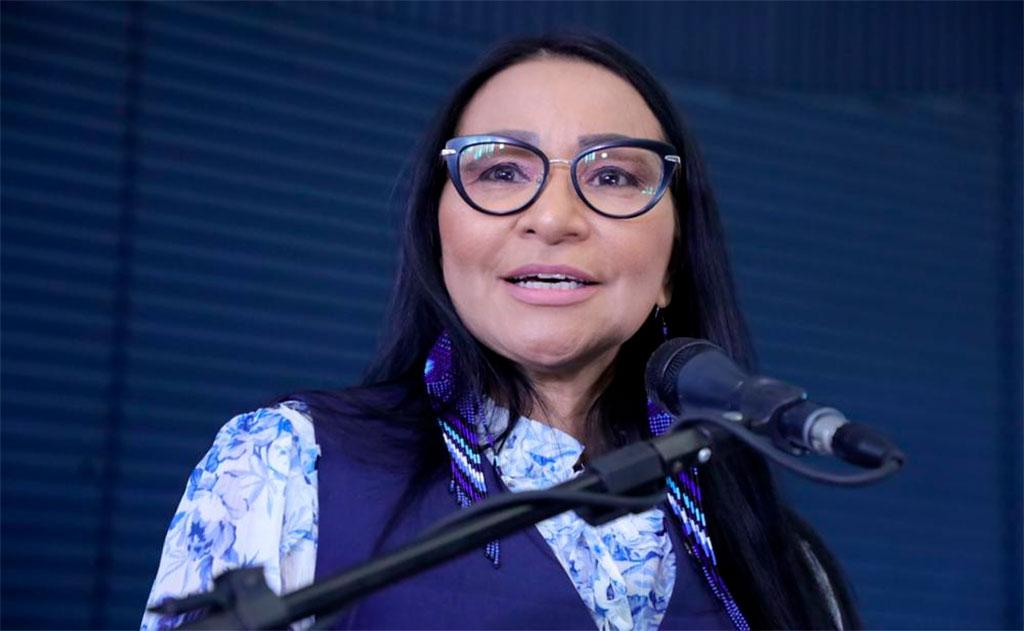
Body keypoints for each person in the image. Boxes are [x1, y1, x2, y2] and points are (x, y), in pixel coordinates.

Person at [142, 33, 860, 631]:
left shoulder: (782, 562)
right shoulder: (288, 466)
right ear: (438, 233)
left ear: (672, 261)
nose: (552, 217)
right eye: (501, 170)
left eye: (612, 176)